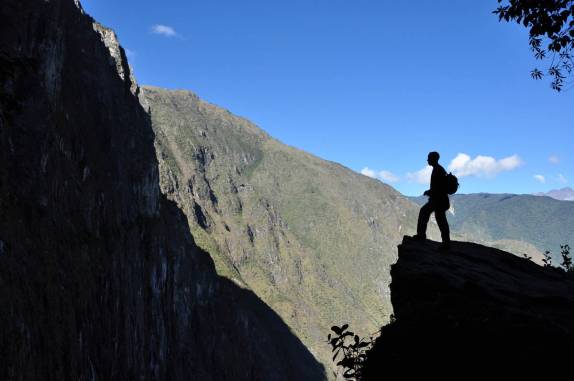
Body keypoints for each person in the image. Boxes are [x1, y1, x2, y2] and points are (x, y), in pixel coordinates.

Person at [414, 151, 451, 250]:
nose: (427, 160)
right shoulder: (439, 169)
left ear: (433, 159)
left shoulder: (438, 170)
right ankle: (445, 242)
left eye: (429, 158)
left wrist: (429, 192)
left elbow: (438, 188)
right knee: (438, 219)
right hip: (439, 200)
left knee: (439, 220)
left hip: (438, 201)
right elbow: (439, 187)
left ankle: (445, 243)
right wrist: (430, 192)